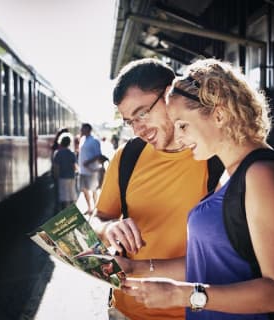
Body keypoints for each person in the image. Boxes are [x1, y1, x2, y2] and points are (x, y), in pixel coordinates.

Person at [119, 59, 274, 319]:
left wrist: (181, 295)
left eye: (182, 125)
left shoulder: (260, 175)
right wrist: (135, 267)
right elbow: (206, 263)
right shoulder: (229, 174)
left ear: (219, 114)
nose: (179, 137)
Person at [92, 58, 215, 320]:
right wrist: (107, 227)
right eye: (129, 121)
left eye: (142, 113)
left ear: (171, 93)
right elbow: (97, 218)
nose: (138, 129)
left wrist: (138, 267)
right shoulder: (127, 157)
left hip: (195, 313)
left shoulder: (215, 157)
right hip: (125, 311)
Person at [78, 123, 102, 214]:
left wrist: (88, 162)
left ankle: (96, 208)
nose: (81, 130)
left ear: (88, 130)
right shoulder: (82, 140)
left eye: (83, 129)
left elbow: (98, 155)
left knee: (93, 190)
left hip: (91, 170)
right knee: (84, 190)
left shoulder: (94, 141)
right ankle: (89, 208)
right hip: (82, 170)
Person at [52, 135, 78, 209]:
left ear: (61, 142)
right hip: (71, 177)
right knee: (72, 196)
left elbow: (56, 167)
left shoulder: (58, 153)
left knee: (64, 198)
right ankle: (72, 212)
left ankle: (66, 213)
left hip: (62, 178)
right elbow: (75, 167)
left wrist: (56, 177)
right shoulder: (72, 153)